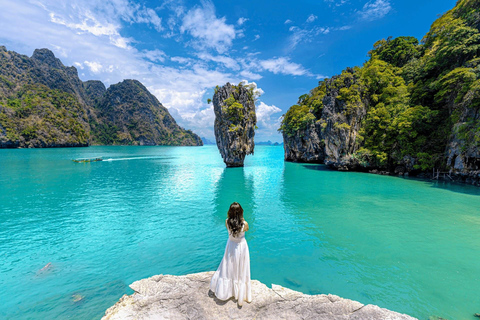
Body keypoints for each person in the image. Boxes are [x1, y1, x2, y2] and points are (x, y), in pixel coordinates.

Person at [210, 202, 252, 306]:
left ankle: (228, 290)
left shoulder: (227, 222)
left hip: (231, 246)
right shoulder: (244, 224)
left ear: (230, 212)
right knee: (241, 268)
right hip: (241, 247)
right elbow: (246, 229)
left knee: (228, 267)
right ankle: (240, 292)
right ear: (241, 211)